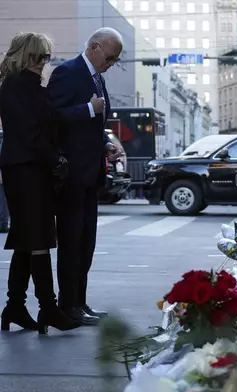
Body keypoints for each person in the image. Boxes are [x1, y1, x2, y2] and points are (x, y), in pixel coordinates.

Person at [0, 32, 82, 334]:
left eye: (47, 57)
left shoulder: (30, 86)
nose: (45, 63)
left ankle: (15, 307)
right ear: (27, 55)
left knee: (27, 239)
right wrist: (55, 160)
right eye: (41, 57)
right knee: (38, 240)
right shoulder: (16, 86)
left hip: (31, 168)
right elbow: (29, 133)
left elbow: (45, 125)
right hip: (25, 169)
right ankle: (48, 307)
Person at [47, 27, 122, 326]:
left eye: (115, 60)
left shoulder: (97, 78)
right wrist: (88, 109)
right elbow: (53, 116)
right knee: (71, 241)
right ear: (94, 47)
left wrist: (106, 144)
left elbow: (91, 125)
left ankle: (80, 301)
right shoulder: (67, 72)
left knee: (86, 242)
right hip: (72, 175)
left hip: (92, 173)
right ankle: (67, 305)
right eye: (110, 57)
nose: (111, 64)